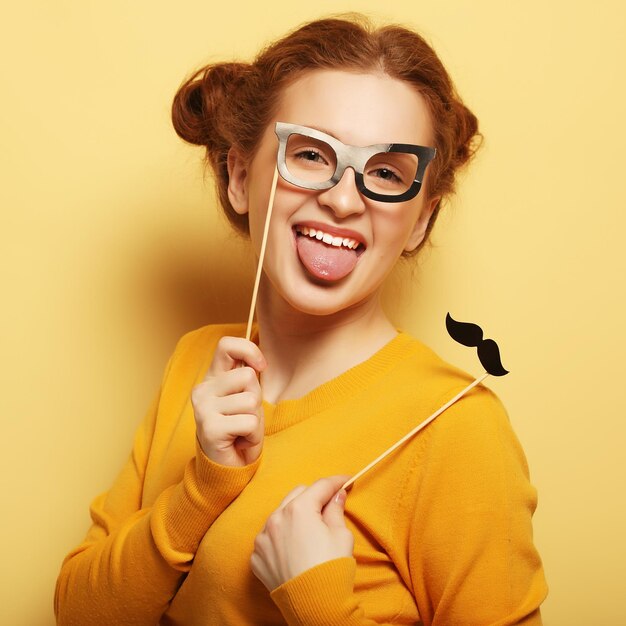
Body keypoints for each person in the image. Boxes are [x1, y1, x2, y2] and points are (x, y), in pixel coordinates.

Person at [54, 14, 548, 626]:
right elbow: (78, 614)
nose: (344, 199)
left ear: (421, 219)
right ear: (239, 176)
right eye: (312, 154)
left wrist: (318, 601)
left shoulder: (457, 430)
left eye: (387, 172)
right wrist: (199, 493)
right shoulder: (197, 361)